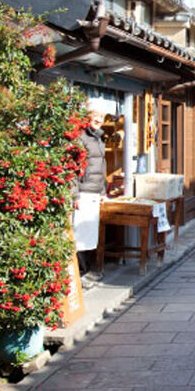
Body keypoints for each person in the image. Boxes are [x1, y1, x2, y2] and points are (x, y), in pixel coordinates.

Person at [74, 106, 107, 288]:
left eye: (101, 117)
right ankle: (81, 272)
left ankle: (88, 271)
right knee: (80, 234)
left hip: (94, 192)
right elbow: (73, 168)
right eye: (95, 116)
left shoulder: (99, 139)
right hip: (84, 191)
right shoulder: (81, 138)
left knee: (91, 234)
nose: (98, 119)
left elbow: (102, 166)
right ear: (87, 118)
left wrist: (102, 192)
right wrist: (75, 195)